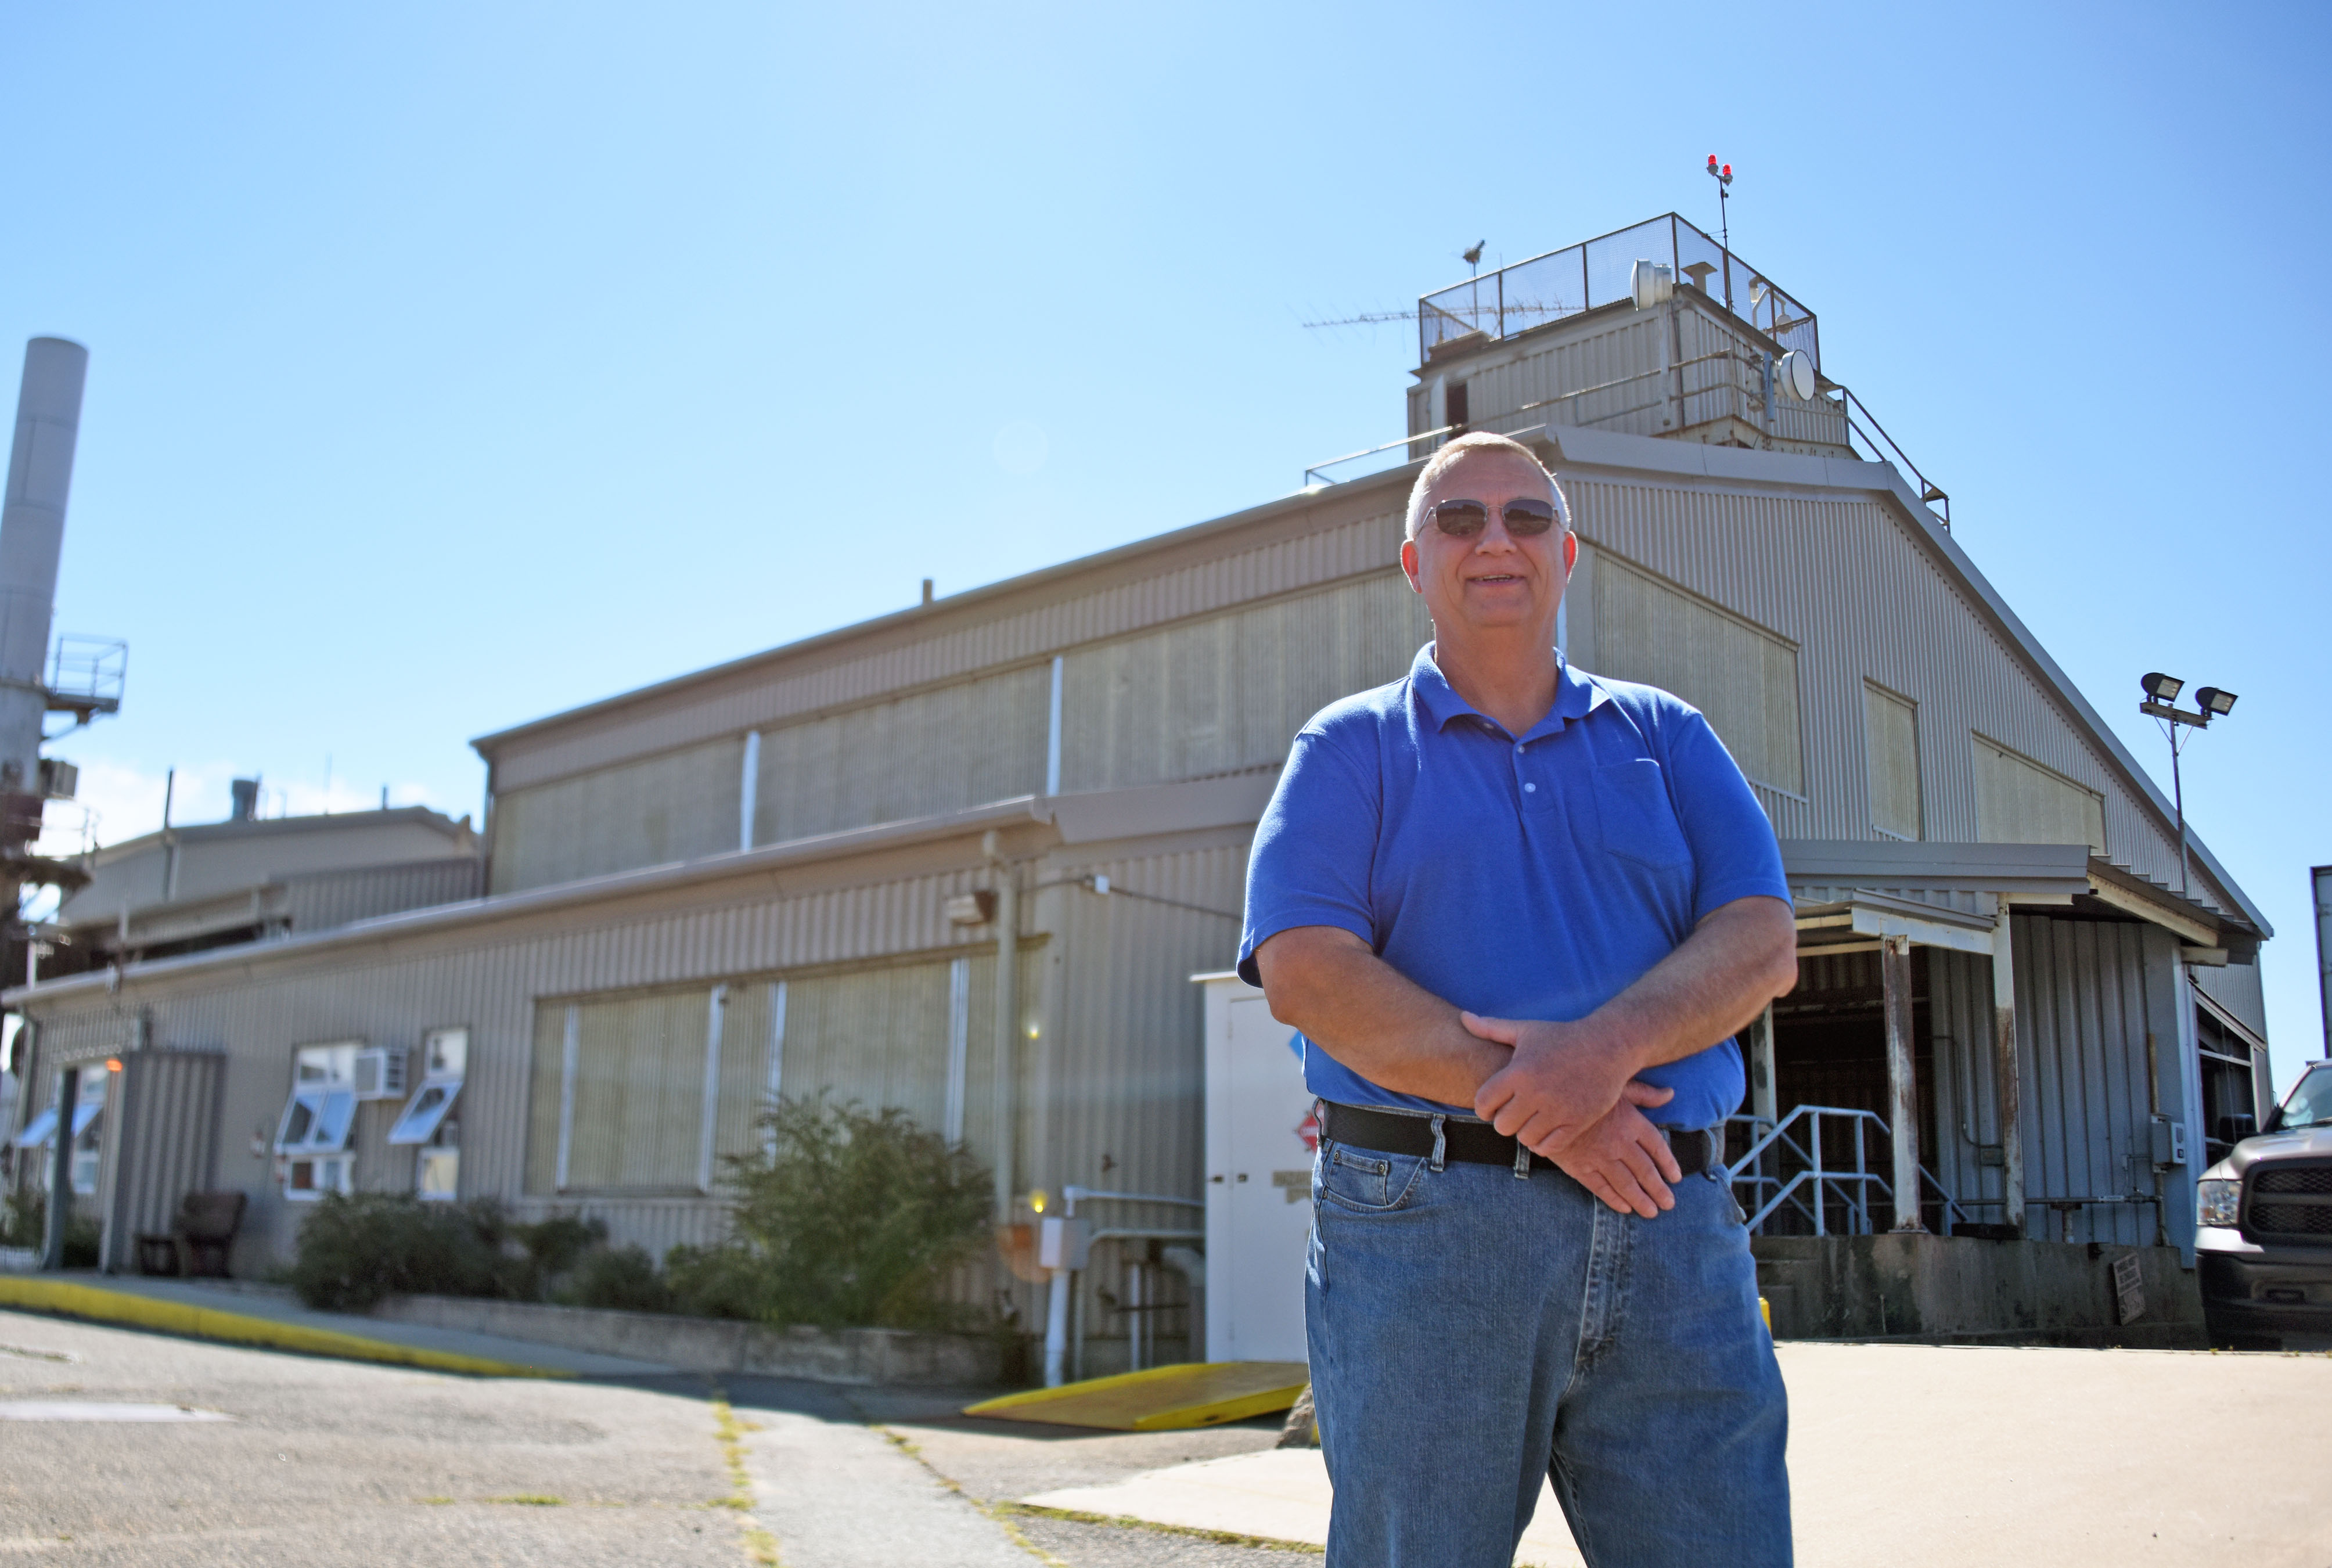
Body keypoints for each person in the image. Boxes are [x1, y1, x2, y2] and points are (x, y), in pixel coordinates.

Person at [1237, 431, 1800, 1567]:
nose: (1495, 538)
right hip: (1428, 1232)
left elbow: (1759, 942)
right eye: (1459, 519)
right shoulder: (1348, 749)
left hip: (1670, 1224)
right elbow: (1306, 969)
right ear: (1414, 564)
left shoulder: (1667, 736)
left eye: (1525, 516)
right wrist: (1552, 1102)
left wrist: (1600, 1056)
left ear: (1567, 554)